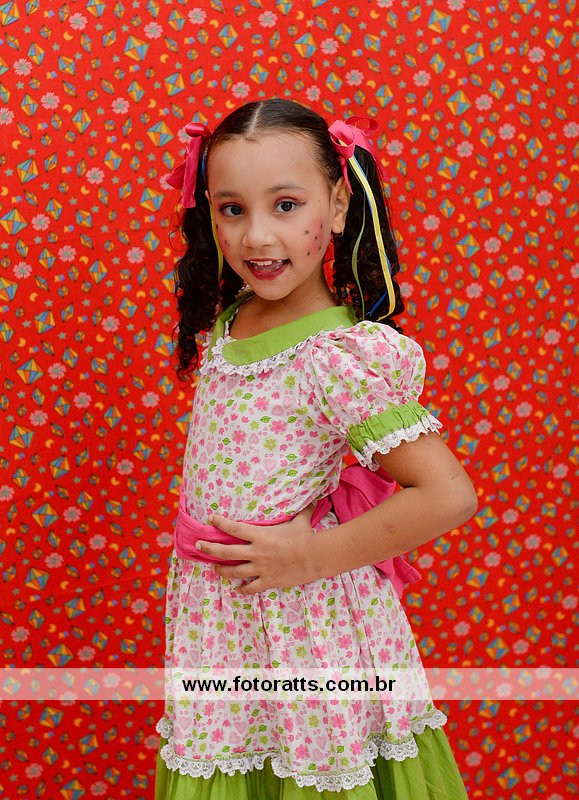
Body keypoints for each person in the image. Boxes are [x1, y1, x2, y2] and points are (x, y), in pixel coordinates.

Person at [155, 98, 476, 799]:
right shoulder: (235, 320)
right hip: (227, 623)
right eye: (232, 209)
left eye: (285, 205)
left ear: (335, 206)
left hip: (305, 629)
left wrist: (308, 557)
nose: (256, 235)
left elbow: (447, 494)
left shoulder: (335, 357)